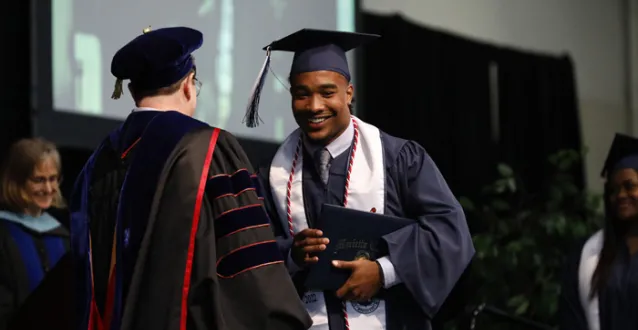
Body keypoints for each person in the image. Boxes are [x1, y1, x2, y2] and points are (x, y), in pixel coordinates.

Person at [69, 26, 312, 330]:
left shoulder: (94, 166)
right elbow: (248, 264)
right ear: (187, 84)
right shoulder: (207, 149)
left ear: (132, 91)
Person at [251, 29, 475, 330]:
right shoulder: (272, 175)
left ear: (349, 93)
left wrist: (385, 271)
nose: (315, 106)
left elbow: (450, 231)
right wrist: (292, 254)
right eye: (302, 94)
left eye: (327, 93)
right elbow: (251, 251)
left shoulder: (398, 159)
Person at [559, 133, 638, 330]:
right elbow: (572, 319)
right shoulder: (587, 255)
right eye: (613, 190)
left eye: (629, 186)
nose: (620, 196)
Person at [0, 138, 69, 329]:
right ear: (16, 181)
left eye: (53, 179)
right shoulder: (4, 232)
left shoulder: (63, 237)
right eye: (38, 180)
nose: (48, 189)